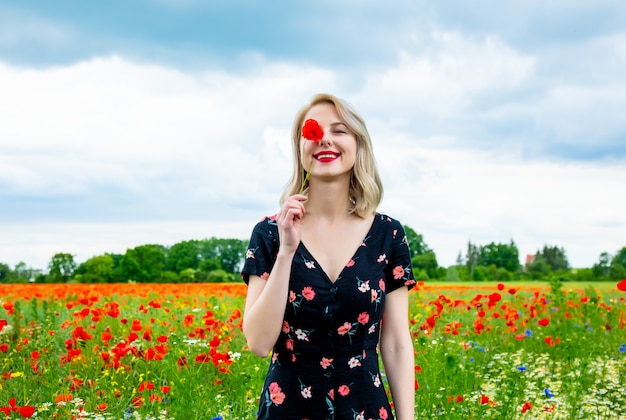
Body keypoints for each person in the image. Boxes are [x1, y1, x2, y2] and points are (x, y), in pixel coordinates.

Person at [242, 93, 416, 419]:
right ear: (300, 148)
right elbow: (258, 343)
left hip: (365, 407)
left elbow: (395, 343)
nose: (323, 139)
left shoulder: (388, 234)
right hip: (288, 408)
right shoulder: (269, 234)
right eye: (312, 132)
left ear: (358, 144)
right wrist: (286, 252)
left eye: (339, 130)